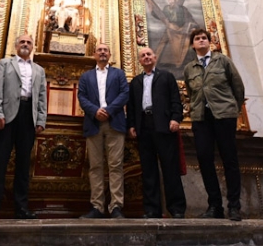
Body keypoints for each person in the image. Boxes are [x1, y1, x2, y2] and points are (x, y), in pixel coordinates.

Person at [0, 34, 47, 219]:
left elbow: (42, 96)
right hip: (7, 116)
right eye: (22, 42)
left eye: (28, 42)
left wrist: (41, 119)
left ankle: (21, 207)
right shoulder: (5, 64)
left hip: (28, 116)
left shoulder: (39, 70)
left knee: (24, 164)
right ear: (16, 46)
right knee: (0, 161)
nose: (25, 44)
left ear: (33, 47)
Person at [183, 28, 245, 221]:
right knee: (204, 159)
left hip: (224, 116)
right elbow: (191, 94)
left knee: (229, 159)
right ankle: (215, 206)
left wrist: (233, 109)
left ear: (209, 42)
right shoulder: (189, 69)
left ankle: (234, 206)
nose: (201, 40)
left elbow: (238, 87)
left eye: (204, 38)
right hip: (201, 118)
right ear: (193, 44)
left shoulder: (223, 61)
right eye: (197, 39)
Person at [127, 47, 186, 219]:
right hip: (143, 127)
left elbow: (176, 99)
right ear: (139, 61)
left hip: (164, 126)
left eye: (148, 55)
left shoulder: (166, 76)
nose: (146, 57)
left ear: (155, 57)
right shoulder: (136, 82)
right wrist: (131, 125)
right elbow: (131, 107)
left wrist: (176, 118)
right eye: (142, 56)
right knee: (148, 170)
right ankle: (152, 209)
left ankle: (176, 208)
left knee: (170, 168)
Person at [78, 43, 129, 219]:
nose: (102, 52)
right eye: (99, 50)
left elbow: (125, 93)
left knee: (115, 166)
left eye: (105, 50)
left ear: (109, 54)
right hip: (93, 123)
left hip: (115, 122)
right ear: (94, 54)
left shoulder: (119, 74)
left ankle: (116, 206)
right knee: (95, 166)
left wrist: (108, 110)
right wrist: (94, 110)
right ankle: (97, 206)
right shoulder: (86, 76)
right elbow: (82, 97)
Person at [149, 0, 199, 78]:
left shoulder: (183, 9)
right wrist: (152, 11)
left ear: (175, 0)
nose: (170, 1)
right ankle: (159, 66)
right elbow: (161, 17)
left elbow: (190, 19)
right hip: (170, 30)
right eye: (169, 0)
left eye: (171, 0)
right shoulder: (166, 9)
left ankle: (182, 67)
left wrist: (194, 27)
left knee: (185, 47)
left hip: (181, 31)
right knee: (163, 46)